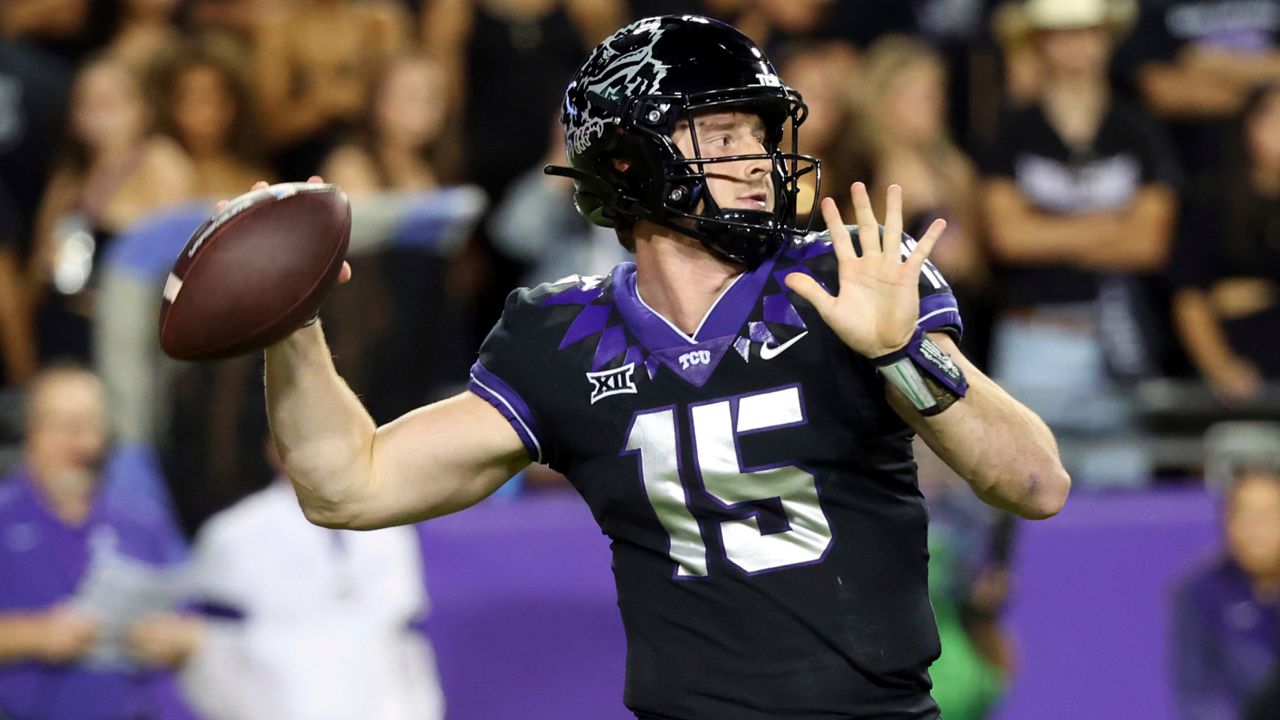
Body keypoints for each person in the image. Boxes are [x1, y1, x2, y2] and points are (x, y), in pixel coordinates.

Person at [261, 16, 1069, 719]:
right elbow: (348, 483)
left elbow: (1036, 484)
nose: (757, 160)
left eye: (759, 135)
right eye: (722, 137)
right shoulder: (559, 336)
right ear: (626, 162)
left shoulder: (845, 277)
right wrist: (289, 320)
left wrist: (903, 354)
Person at [980, 0, 1180, 486]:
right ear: (1041, 43)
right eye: (1060, 33)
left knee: (1121, 493)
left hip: (1115, 337)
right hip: (1034, 338)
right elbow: (1007, 238)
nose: (1075, 46)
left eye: (1087, 32)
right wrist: (1113, 224)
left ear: (1107, 40)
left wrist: (1046, 227)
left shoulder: (1138, 129)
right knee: (1020, 488)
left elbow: (1151, 242)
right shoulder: (1013, 131)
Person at [126, 440, 445, 720]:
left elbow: (406, 636)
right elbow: (212, 648)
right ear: (274, 447)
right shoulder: (233, 534)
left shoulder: (392, 528)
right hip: (278, 706)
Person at [0, 365, 186, 720]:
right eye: (63, 427)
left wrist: (174, 638)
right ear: (29, 432)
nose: (79, 443)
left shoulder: (143, 521)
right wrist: (34, 635)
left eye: (89, 426)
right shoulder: (4, 516)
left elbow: (191, 617)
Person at [1170, 83, 1280, 404]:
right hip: (1238, 380)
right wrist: (1221, 368)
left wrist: (1266, 294)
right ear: (1249, 124)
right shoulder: (1211, 201)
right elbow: (1190, 296)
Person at [1171, 423, 1280, 720]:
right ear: (1226, 522)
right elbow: (1198, 692)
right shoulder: (1198, 591)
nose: (1256, 531)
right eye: (1245, 515)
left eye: (1269, 516)